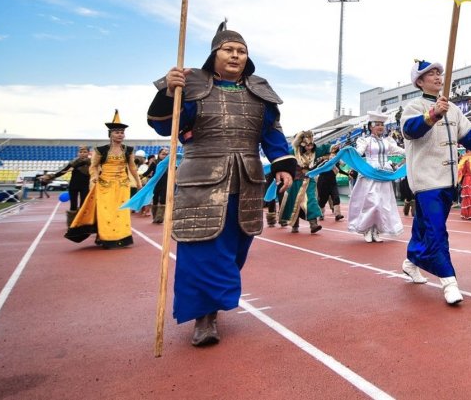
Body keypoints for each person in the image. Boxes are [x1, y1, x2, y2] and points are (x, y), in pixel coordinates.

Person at [147, 22, 295, 347]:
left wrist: (284, 165)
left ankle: (211, 304)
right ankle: (204, 317)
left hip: (247, 180)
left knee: (234, 251)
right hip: (201, 180)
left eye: (241, 51)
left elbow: (272, 134)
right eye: (229, 50)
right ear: (214, 55)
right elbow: (163, 127)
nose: (235, 55)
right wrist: (168, 91)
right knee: (202, 250)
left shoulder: (260, 92)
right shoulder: (192, 84)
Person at [401, 60, 471, 304]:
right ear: (419, 81)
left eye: (439, 73)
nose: (437, 77)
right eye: (431, 74)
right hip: (426, 180)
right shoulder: (413, 106)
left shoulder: (454, 109)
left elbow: (469, 136)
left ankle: (410, 261)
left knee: (425, 226)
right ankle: (449, 281)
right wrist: (433, 114)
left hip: (448, 181)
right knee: (437, 230)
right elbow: (410, 130)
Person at [65, 111, 141, 248]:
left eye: (122, 132)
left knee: (121, 212)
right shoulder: (100, 150)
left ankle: (121, 237)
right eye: (117, 132)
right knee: (105, 212)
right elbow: (93, 166)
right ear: (110, 134)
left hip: (122, 185)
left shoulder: (129, 150)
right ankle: (103, 236)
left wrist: (139, 182)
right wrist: (94, 178)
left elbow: (132, 167)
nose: (120, 135)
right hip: (104, 185)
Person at [348, 112, 405, 242]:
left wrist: (413, 151)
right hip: (370, 174)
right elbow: (358, 152)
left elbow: (399, 151)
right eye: (377, 124)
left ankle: (376, 230)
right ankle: (367, 229)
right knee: (372, 202)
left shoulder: (387, 142)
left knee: (383, 204)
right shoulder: (365, 140)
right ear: (370, 127)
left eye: (382, 125)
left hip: (384, 174)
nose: (380, 127)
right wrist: (352, 152)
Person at [44, 145, 91, 227]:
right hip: (73, 185)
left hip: (86, 186)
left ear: (88, 153)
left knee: (83, 205)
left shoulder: (91, 162)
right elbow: (62, 171)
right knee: (73, 205)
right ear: (78, 153)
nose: (82, 154)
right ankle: (72, 224)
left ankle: (83, 224)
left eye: (85, 152)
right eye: (80, 152)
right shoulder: (73, 162)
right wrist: (50, 176)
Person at [316, 144, 346, 221]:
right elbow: (316, 168)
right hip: (323, 182)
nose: (332, 155)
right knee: (323, 199)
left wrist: (339, 158)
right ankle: (321, 213)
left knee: (336, 197)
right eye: (331, 154)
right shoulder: (323, 161)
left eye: (334, 154)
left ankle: (337, 214)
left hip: (332, 181)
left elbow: (343, 165)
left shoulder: (337, 159)